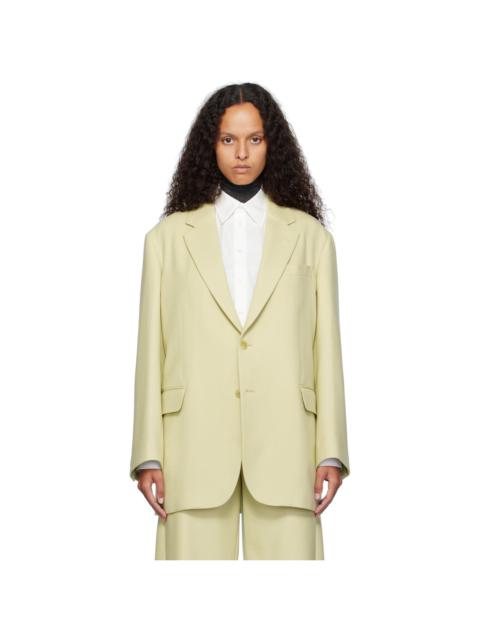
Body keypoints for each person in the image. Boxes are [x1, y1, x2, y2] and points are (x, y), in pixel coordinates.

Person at [130, 82, 350, 560]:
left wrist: (331, 449)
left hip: (288, 444)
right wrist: (148, 452)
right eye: (228, 139)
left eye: (254, 139)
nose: (242, 153)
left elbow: (326, 350)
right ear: (210, 146)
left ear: (273, 144)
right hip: (192, 445)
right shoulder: (165, 240)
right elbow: (152, 351)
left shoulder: (312, 239)